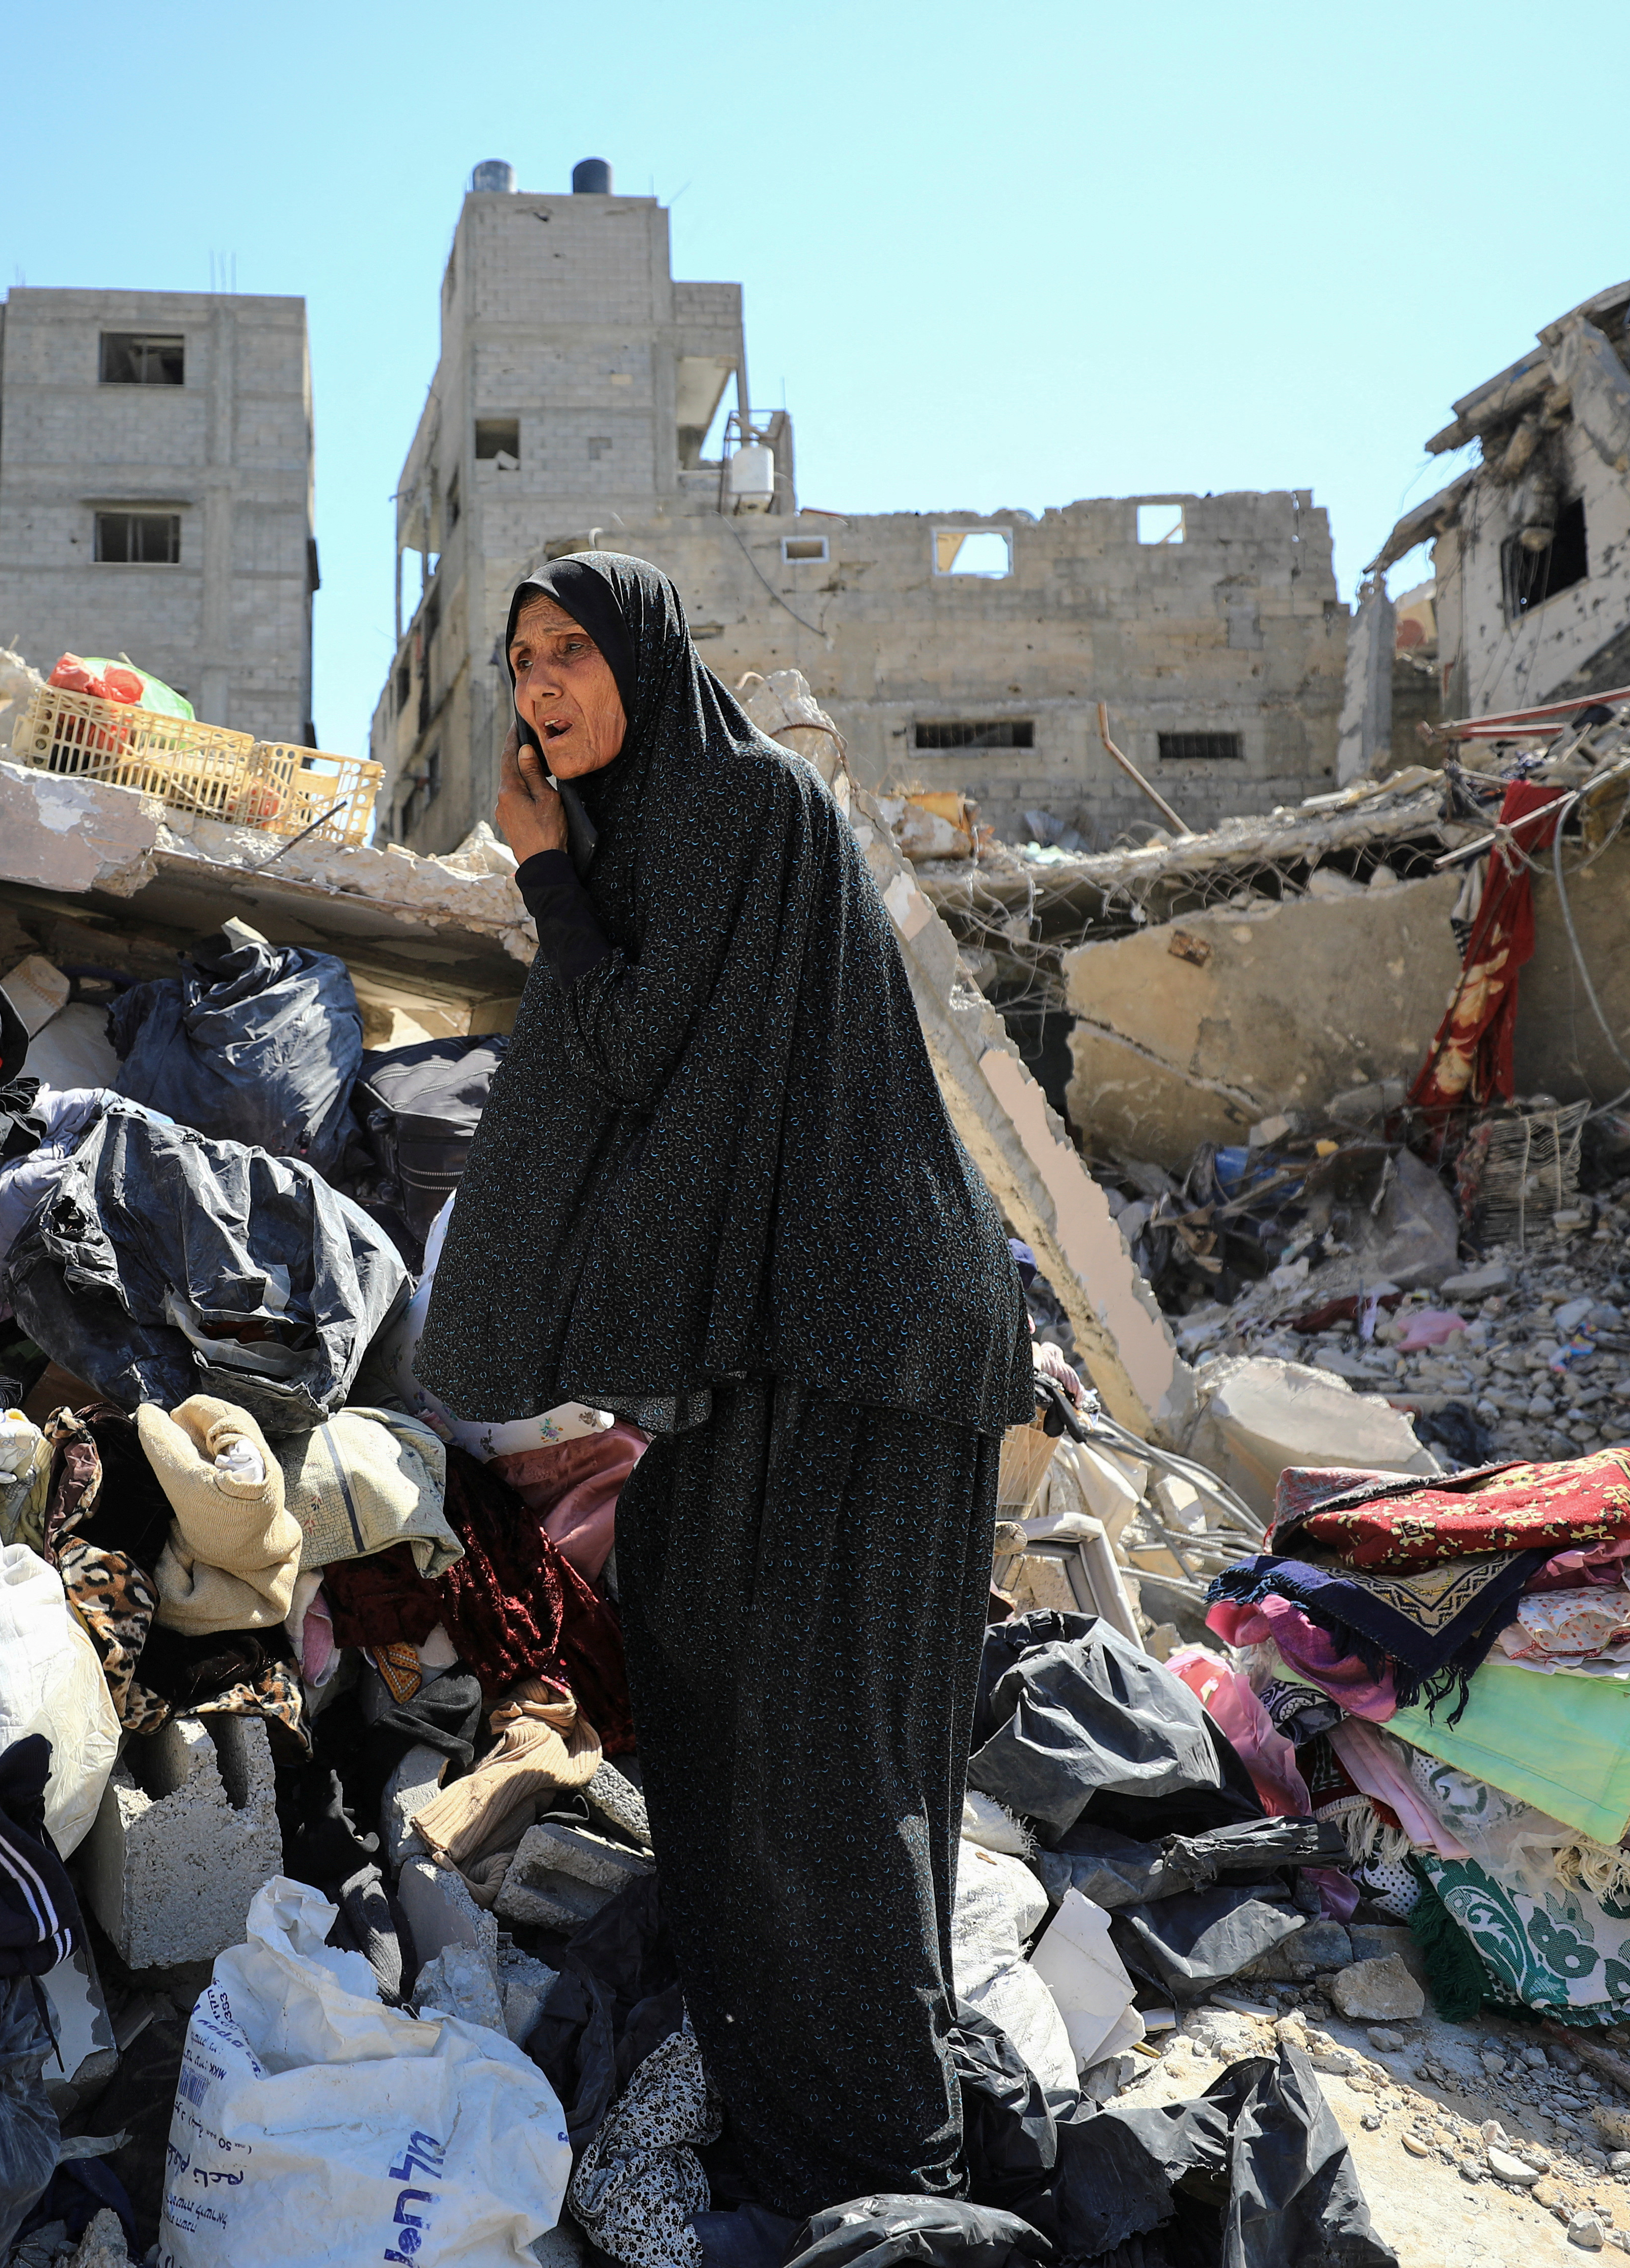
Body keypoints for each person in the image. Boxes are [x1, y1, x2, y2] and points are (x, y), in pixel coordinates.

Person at [414, 552, 1032, 2214]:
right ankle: (798, 2110)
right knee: (706, 1652)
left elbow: (620, 1051)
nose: (542, 687)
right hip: (802, 1341)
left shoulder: (736, 807)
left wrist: (546, 878)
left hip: (868, 1340)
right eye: (524, 658)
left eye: (572, 654)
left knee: (829, 1763)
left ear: (644, 663)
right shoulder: (658, 828)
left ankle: (885, 2176)